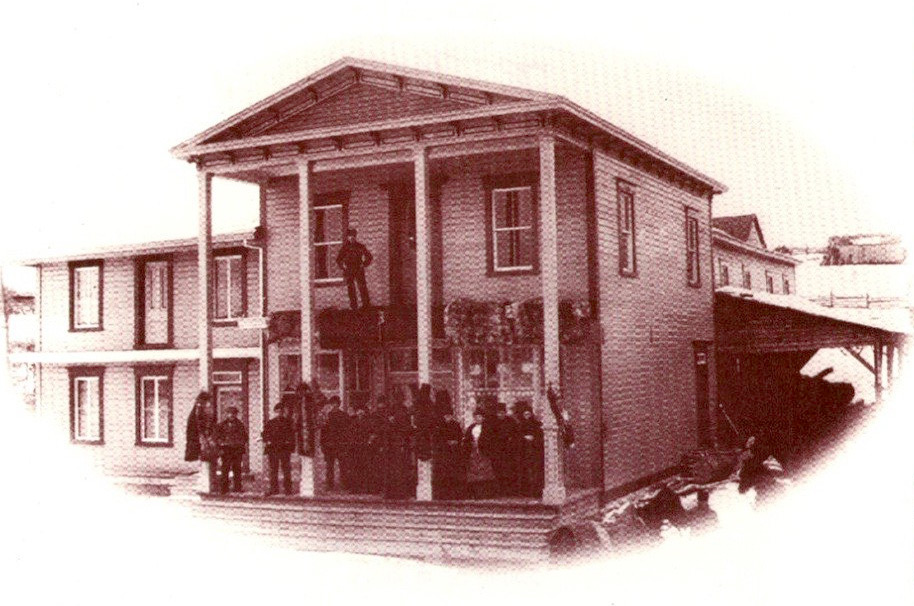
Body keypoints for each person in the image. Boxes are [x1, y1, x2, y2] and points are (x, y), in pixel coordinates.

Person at [381, 399, 415, 499]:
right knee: (395, 470)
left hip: (399, 447)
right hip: (394, 449)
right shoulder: (392, 419)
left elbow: (407, 431)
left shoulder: (402, 415)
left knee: (399, 470)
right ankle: (394, 493)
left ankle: (399, 493)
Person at [184, 391, 218, 489]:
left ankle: (209, 483)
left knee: (207, 460)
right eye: (207, 401)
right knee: (206, 460)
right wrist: (206, 438)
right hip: (201, 440)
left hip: (201, 439)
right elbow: (200, 426)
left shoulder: (199, 410)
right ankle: (207, 485)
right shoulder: (199, 410)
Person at [462, 407, 497, 500]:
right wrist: (471, 444)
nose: (478, 418)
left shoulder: (487, 427)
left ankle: (486, 494)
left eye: (480, 417)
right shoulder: (471, 428)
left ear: (483, 418)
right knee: (474, 473)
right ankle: (475, 494)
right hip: (473, 453)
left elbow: (491, 440)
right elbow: (466, 440)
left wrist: (482, 444)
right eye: (476, 417)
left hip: (484, 452)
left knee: (485, 472)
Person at [263, 402, 296, 496]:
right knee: (273, 470)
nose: (279, 413)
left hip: (284, 449)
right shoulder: (270, 423)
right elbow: (265, 434)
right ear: (275, 412)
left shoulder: (288, 422)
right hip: (273, 449)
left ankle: (288, 490)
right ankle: (274, 489)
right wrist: (267, 440)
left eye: (281, 411)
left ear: (284, 412)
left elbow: (292, 435)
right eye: (277, 411)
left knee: (286, 469)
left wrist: (290, 446)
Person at [335, 228, 373, 310]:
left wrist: (364, 264)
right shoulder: (345, 248)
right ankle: (354, 306)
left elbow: (369, 257)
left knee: (362, 287)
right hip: (349, 269)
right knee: (351, 288)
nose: (352, 237)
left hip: (358, 268)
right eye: (350, 236)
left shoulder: (360, 246)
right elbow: (338, 259)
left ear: (355, 236)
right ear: (348, 237)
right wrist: (343, 266)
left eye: (353, 236)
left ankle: (366, 305)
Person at [432, 406, 464, 500]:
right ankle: (444, 494)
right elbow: (437, 439)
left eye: (449, 416)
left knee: (454, 473)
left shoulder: (456, 425)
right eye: (446, 416)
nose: (448, 418)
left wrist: (455, 442)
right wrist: (446, 443)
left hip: (454, 453)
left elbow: (460, 436)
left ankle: (455, 494)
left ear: (452, 416)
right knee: (444, 474)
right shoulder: (440, 426)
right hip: (444, 454)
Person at [491, 401, 521, 497]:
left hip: (509, 451)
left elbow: (517, 435)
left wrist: (511, 442)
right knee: (497, 471)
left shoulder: (511, 421)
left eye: (502, 413)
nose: (500, 415)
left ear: (505, 412)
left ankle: (509, 491)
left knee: (509, 471)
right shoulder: (492, 422)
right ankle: (499, 491)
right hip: (496, 451)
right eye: (499, 413)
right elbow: (489, 436)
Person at [515, 401, 545, 499]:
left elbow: (541, 438)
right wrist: (524, 438)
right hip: (524, 452)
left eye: (528, 414)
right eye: (525, 414)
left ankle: (537, 491)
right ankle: (526, 492)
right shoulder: (520, 425)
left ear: (531, 414)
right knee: (525, 471)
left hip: (535, 451)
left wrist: (534, 439)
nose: (527, 416)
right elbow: (517, 438)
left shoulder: (537, 424)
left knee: (536, 471)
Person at [216, 406, 247, 494]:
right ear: (226, 414)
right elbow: (217, 437)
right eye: (230, 413)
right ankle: (224, 488)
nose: (232, 415)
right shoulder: (221, 425)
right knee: (225, 469)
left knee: (237, 469)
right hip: (226, 450)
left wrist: (240, 443)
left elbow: (244, 437)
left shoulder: (240, 425)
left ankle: (237, 487)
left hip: (237, 450)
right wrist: (221, 444)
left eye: (234, 413)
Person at [320, 396, 349, 490]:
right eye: (333, 403)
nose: (334, 405)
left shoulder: (344, 416)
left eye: (336, 403)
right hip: (329, 445)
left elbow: (347, 430)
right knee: (329, 467)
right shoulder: (327, 416)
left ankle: (344, 485)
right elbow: (323, 432)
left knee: (343, 466)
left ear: (339, 404)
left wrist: (345, 443)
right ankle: (329, 485)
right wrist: (323, 445)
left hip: (341, 445)